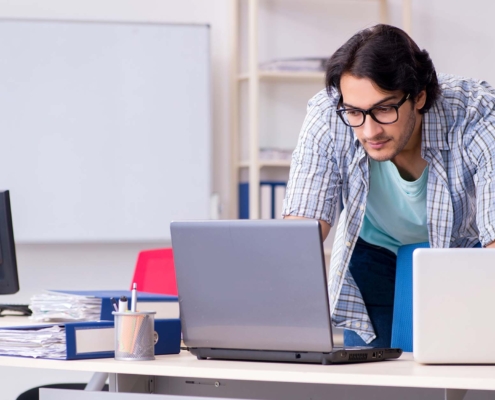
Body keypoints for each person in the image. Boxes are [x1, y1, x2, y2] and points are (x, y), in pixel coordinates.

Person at [282, 24, 495, 347]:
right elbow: (300, 233)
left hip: (464, 253)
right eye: (355, 112)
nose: (369, 131)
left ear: (419, 96)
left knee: (464, 366)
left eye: (384, 109)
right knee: (371, 381)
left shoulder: (477, 115)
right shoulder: (328, 113)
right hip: (375, 251)